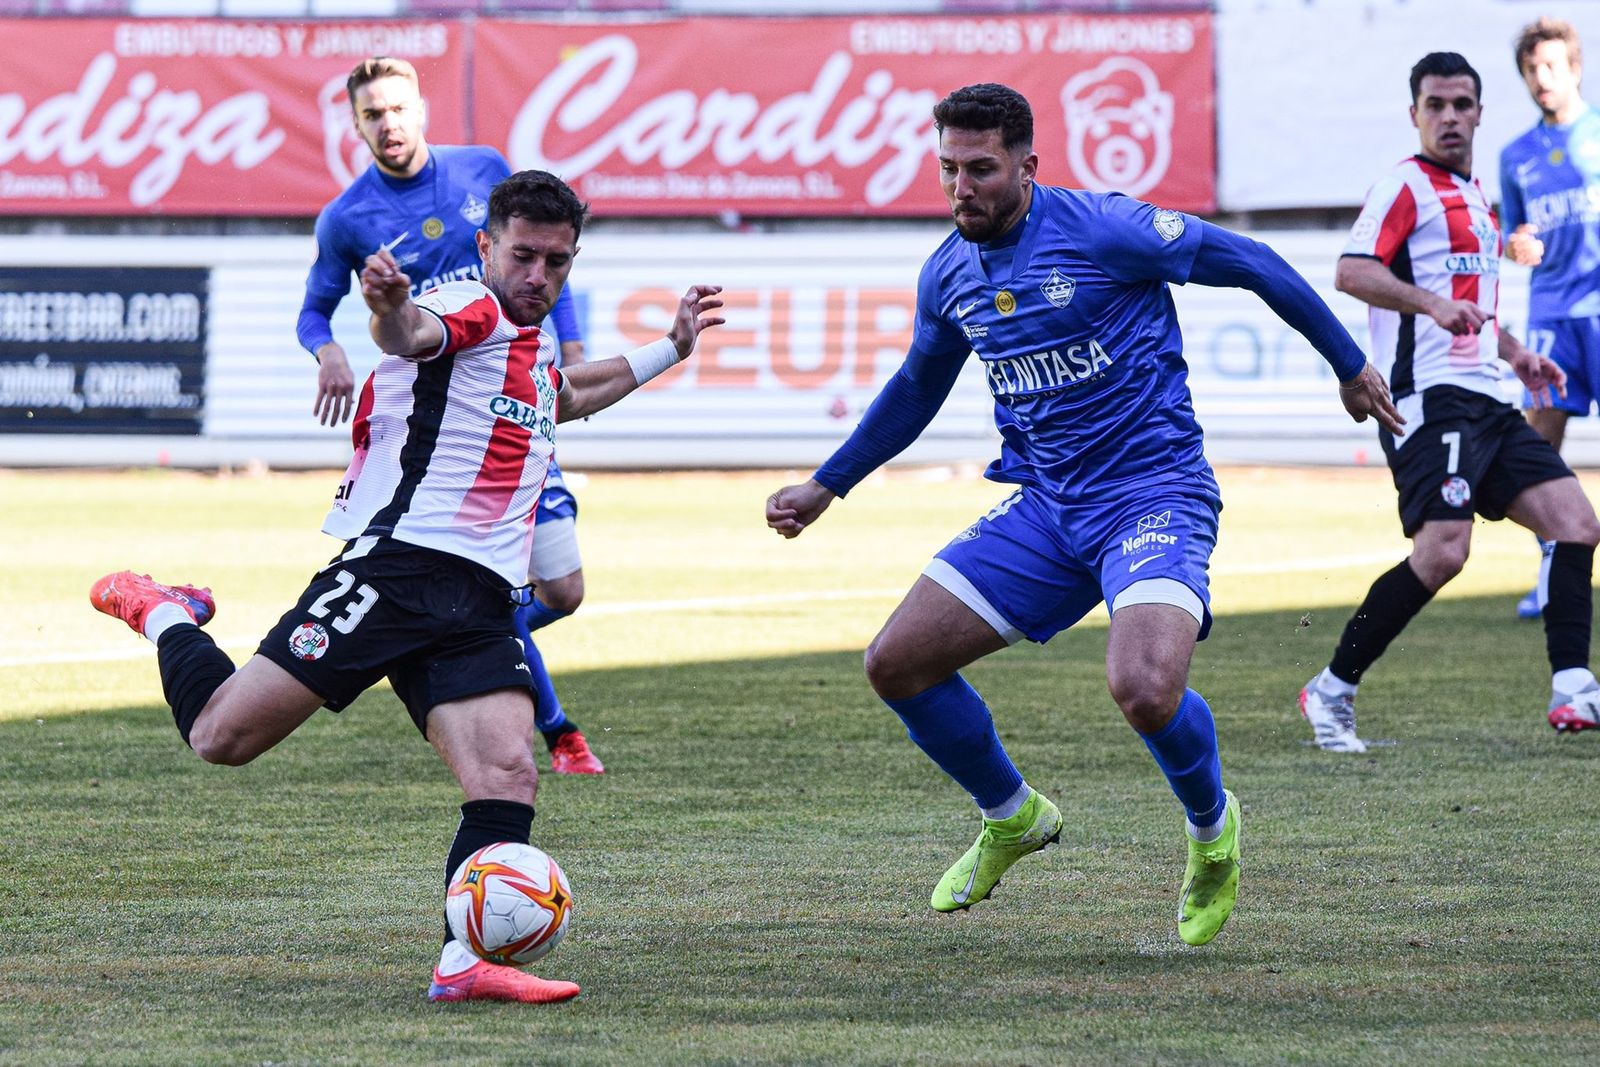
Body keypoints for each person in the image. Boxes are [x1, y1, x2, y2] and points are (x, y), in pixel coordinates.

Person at [765, 83, 1402, 945]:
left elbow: (1251, 261)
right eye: (949, 168)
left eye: (981, 169)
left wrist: (1350, 363)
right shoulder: (948, 270)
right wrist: (826, 484)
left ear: (1028, 165)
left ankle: (1212, 833)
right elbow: (918, 385)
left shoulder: (1104, 229)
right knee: (896, 663)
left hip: (1153, 492)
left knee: (1143, 688)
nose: (962, 187)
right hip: (1047, 509)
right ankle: (1011, 814)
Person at [91, 171, 724, 1002]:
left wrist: (671, 347)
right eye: (524, 256)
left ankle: (462, 962)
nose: (539, 276)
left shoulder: (529, 342)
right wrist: (386, 306)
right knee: (221, 737)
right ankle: (165, 610)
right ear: (485, 247)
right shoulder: (476, 305)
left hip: (481, 599)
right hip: (396, 571)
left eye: (558, 263)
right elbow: (414, 335)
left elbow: (568, 395)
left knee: (507, 774)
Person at [298, 55, 604, 775]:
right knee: (488, 577)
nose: (388, 124)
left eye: (398, 108)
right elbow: (315, 309)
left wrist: (577, 345)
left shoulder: (483, 169)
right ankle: (558, 728)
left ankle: (424, 637)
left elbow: (542, 255)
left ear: (421, 110)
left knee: (562, 589)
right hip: (438, 430)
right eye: (373, 114)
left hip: (518, 396)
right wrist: (329, 352)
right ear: (355, 124)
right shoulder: (347, 217)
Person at [1299, 52, 1600, 753]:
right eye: (1436, 105)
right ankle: (1331, 688)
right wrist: (1430, 302)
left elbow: (1475, 313)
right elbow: (1351, 270)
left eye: (1462, 105)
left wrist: (1518, 353)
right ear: (1415, 115)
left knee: (1577, 523)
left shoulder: (1481, 201)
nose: (1450, 117)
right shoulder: (1405, 185)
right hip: (1427, 403)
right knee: (1442, 553)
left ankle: (1573, 687)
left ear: (1480, 114)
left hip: (1488, 400)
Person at [1499, 18, 1600, 621]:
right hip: (1551, 317)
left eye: (1552, 67)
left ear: (1575, 68)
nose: (1542, 78)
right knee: (1539, 445)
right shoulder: (1516, 155)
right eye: (1532, 69)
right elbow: (1511, 234)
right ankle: (1552, 573)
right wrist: (1516, 246)